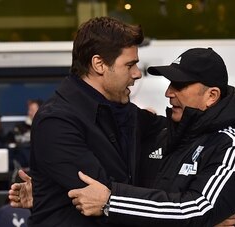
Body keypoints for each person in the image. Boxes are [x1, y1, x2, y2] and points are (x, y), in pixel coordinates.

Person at [68, 47, 235, 226]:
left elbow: (197, 210)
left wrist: (112, 202)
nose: (168, 93)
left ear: (211, 95)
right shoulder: (161, 136)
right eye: (170, 84)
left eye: (179, 85)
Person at [24, 16, 166, 227]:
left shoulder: (123, 111)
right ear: (99, 64)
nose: (137, 74)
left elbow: (178, 131)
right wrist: (188, 214)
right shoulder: (55, 121)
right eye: (130, 65)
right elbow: (103, 193)